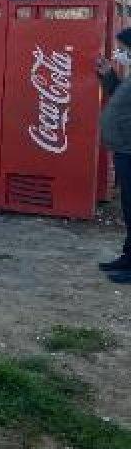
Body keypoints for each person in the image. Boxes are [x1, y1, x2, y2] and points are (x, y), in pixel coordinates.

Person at [98, 28, 131, 283]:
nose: (124, 53)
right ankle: (127, 257)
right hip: (123, 148)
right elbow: (121, 94)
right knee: (128, 209)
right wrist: (108, 74)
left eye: (126, 49)